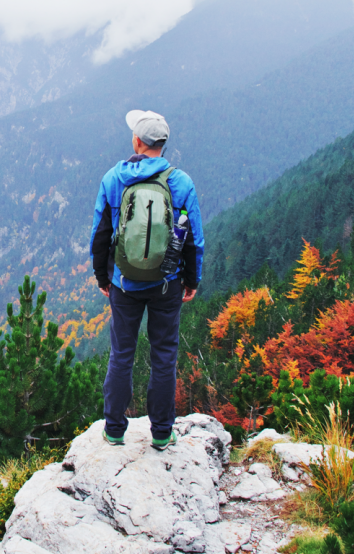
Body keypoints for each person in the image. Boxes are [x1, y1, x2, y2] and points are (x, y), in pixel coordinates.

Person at [89, 109, 204, 451]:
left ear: (137, 142)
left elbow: (100, 233)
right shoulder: (181, 183)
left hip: (124, 284)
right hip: (167, 284)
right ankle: (162, 433)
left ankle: (114, 429)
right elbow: (193, 238)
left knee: (122, 353)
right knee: (164, 355)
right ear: (163, 145)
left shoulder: (114, 178)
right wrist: (192, 280)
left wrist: (102, 276)